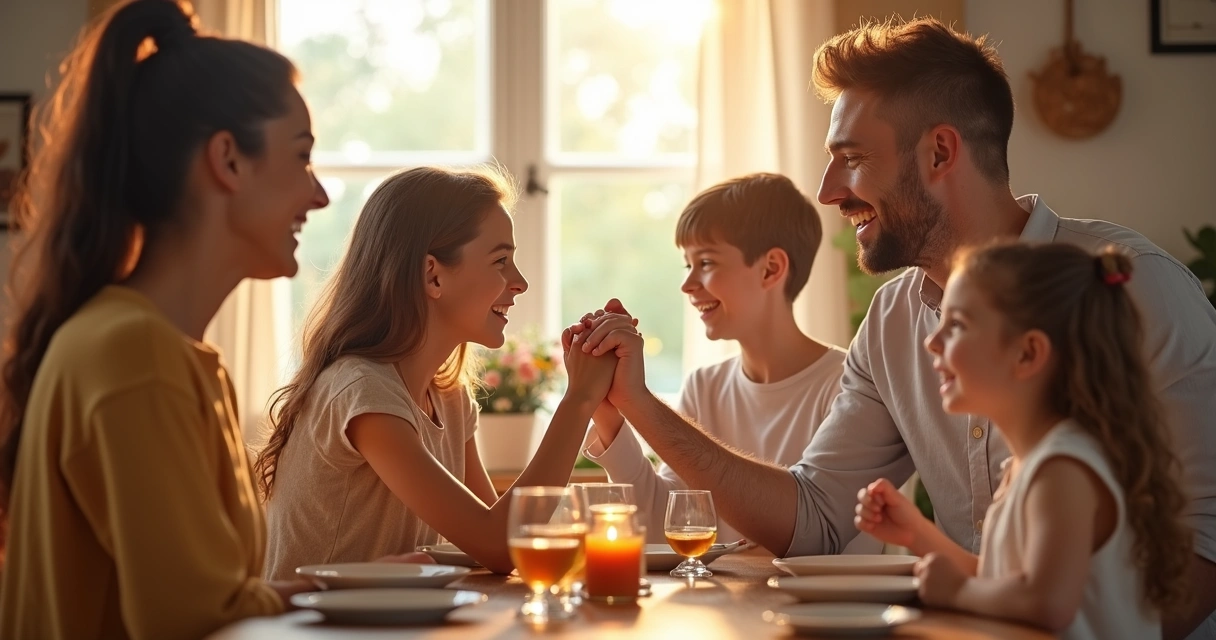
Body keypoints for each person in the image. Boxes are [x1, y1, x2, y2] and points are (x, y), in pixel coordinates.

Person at [568, 17, 1216, 638]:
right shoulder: (891, 318)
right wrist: (638, 402)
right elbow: (814, 516)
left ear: (939, 151)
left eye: (850, 158)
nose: (827, 191)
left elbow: (1206, 549)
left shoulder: (1136, 289)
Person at [0, 0, 333, 637]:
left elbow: (202, 600)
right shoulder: (136, 355)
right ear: (228, 160)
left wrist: (323, 589)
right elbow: (192, 621)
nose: (317, 194)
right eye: (301, 157)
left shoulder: (156, 349)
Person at [256, 165, 618, 578]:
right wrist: (579, 401)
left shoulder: (448, 398)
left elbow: (499, 540)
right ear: (432, 275)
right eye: (501, 260)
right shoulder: (363, 392)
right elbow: (499, 545)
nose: (519, 283)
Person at [856, 242, 1191, 638]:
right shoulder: (1031, 465)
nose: (932, 342)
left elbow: (1045, 601)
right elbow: (1003, 581)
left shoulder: (1062, 470)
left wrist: (959, 591)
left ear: (1028, 354)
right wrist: (918, 534)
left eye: (958, 325)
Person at [581, 173, 878, 552]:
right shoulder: (704, 387)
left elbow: (839, 544)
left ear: (771, 269)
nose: (687, 284)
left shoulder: (846, 387)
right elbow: (665, 530)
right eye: (686, 264)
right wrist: (610, 412)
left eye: (705, 262)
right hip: (722, 609)